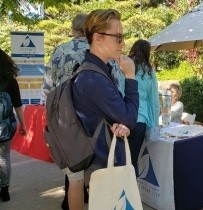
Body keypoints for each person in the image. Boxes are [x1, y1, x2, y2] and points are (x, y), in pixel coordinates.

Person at [68, 9, 139, 210]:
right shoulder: (93, 78)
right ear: (98, 38)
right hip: (101, 161)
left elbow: (108, 115)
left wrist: (116, 123)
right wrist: (131, 78)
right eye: (118, 37)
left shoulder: (96, 71)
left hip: (100, 156)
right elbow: (129, 117)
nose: (123, 43)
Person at [127, 39, 160, 169]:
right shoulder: (149, 72)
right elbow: (154, 102)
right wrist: (155, 126)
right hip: (140, 120)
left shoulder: (122, 67)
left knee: (120, 163)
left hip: (123, 119)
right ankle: (130, 189)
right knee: (132, 163)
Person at [0, 48, 27, 202]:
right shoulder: (10, 80)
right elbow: (17, 105)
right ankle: (5, 191)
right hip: (6, 127)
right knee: (4, 157)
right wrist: (23, 125)